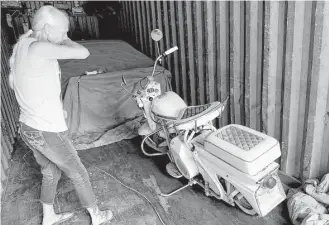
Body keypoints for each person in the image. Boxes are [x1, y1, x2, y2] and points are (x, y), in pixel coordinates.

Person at [8, 5, 113, 225]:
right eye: (62, 31)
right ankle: (97, 215)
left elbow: (38, 84)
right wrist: (65, 39)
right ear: (47, 28)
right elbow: (83, 53)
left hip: (29, 127)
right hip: (46, 130)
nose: (64, 36)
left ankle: (48, 217)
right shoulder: (38, 47)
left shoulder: (25, 45)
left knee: (50, 172)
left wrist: (57, 107)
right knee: (78, 173)